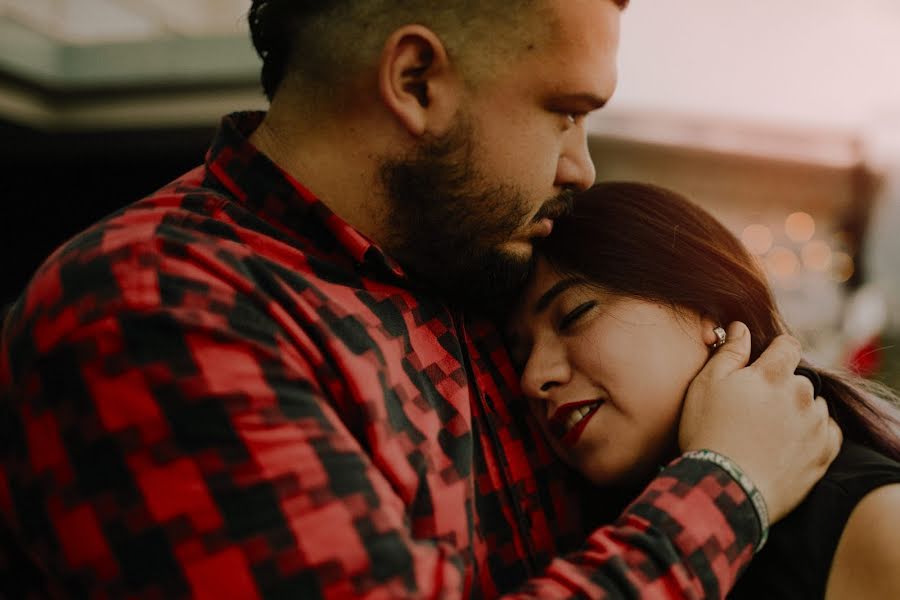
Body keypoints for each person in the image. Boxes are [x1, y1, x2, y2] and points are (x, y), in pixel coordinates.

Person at [0, 1, 840, 597]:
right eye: (566, 112)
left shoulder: (468, 269)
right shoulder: (156, 307)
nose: (581, 166)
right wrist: (727, 488)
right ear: (415, 79)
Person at [508, 181, 900, 599]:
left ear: (710, 308)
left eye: (575, 314)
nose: (533, 377)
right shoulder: (593, 543)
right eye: (519, 356)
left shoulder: (876, 522)